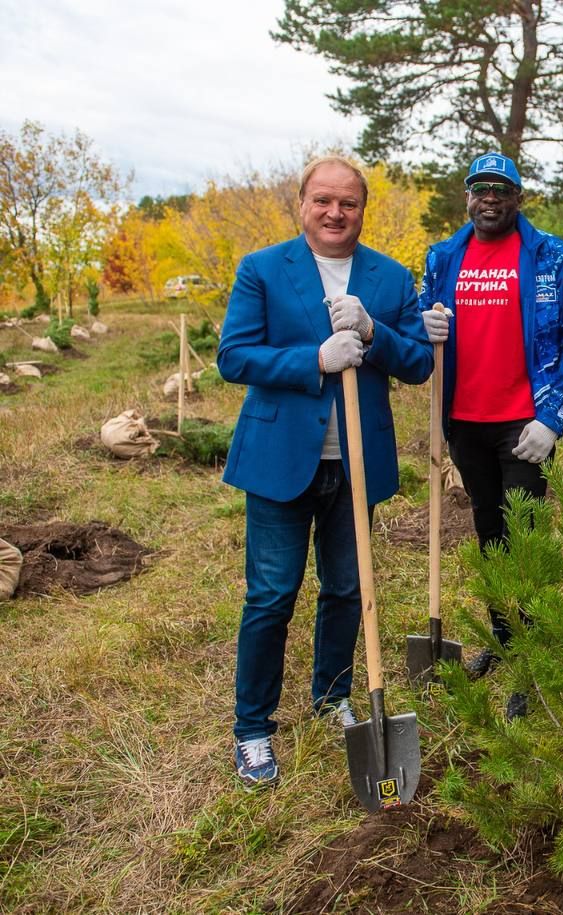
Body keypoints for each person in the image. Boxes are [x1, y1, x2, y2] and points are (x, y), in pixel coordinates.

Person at [218, 156, 433, 789]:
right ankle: (252, 727)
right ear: (303, 204)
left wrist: (373, 332)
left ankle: (332, 694)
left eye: (348, 203)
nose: (335, 213)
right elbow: (233, 356)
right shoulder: (263, 269)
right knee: (272, 595)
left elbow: (419, 361)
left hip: (357, 464)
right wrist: (313, 357)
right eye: (323, 201)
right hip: (282, 460)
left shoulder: (389, 279)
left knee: (345, 588)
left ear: (363, 208)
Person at [419, 152, 563, 696]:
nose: (489, 198)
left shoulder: (553, 256)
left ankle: (533, 658)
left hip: (524, 423)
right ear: (467, 196)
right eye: (479, 188)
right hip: (466, 420)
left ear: (518, 198)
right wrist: (423, 324)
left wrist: (554, 417)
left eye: (501, 189)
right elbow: (422, 323)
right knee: (489, 533)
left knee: (526, 537)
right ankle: (503, 637)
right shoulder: (444, 256)